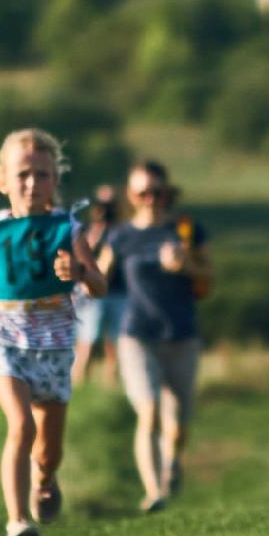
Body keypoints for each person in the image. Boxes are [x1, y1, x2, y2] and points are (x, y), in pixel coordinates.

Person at [0, 129, 107, 536]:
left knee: (48, 448)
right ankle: (17, 521)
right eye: (23, 173)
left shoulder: (68, 227)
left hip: (55, 342)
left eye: (42, 175)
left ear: (55, 181)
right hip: (5, 337)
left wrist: (79, 274)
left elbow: (100, 284)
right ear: (2, 178)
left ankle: (45, 478)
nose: (32, 183)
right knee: (21, 426)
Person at [97, 161, 211, 512]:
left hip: (181, 335)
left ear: (166, 192)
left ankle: (172, 463)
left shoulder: (186, 230)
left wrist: (186, 265)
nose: (150, 199)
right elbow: (99, 283)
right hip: (137, 335)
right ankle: (154, 491)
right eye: (142, 193)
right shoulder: (120, 236)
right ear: (131, 196)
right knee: (149, 412)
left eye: (156, 192)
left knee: (177, 425)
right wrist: (78, 272)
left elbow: (207, 282)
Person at [71, 186, 126, 389]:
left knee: (115, 341)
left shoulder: (121, 232)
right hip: (91, 293)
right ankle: (79, 383)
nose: (105, 211)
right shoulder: (84, 232)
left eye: (109, 207)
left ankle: (111, 384)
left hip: (119, 291)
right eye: (102, 206)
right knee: (87, 340)